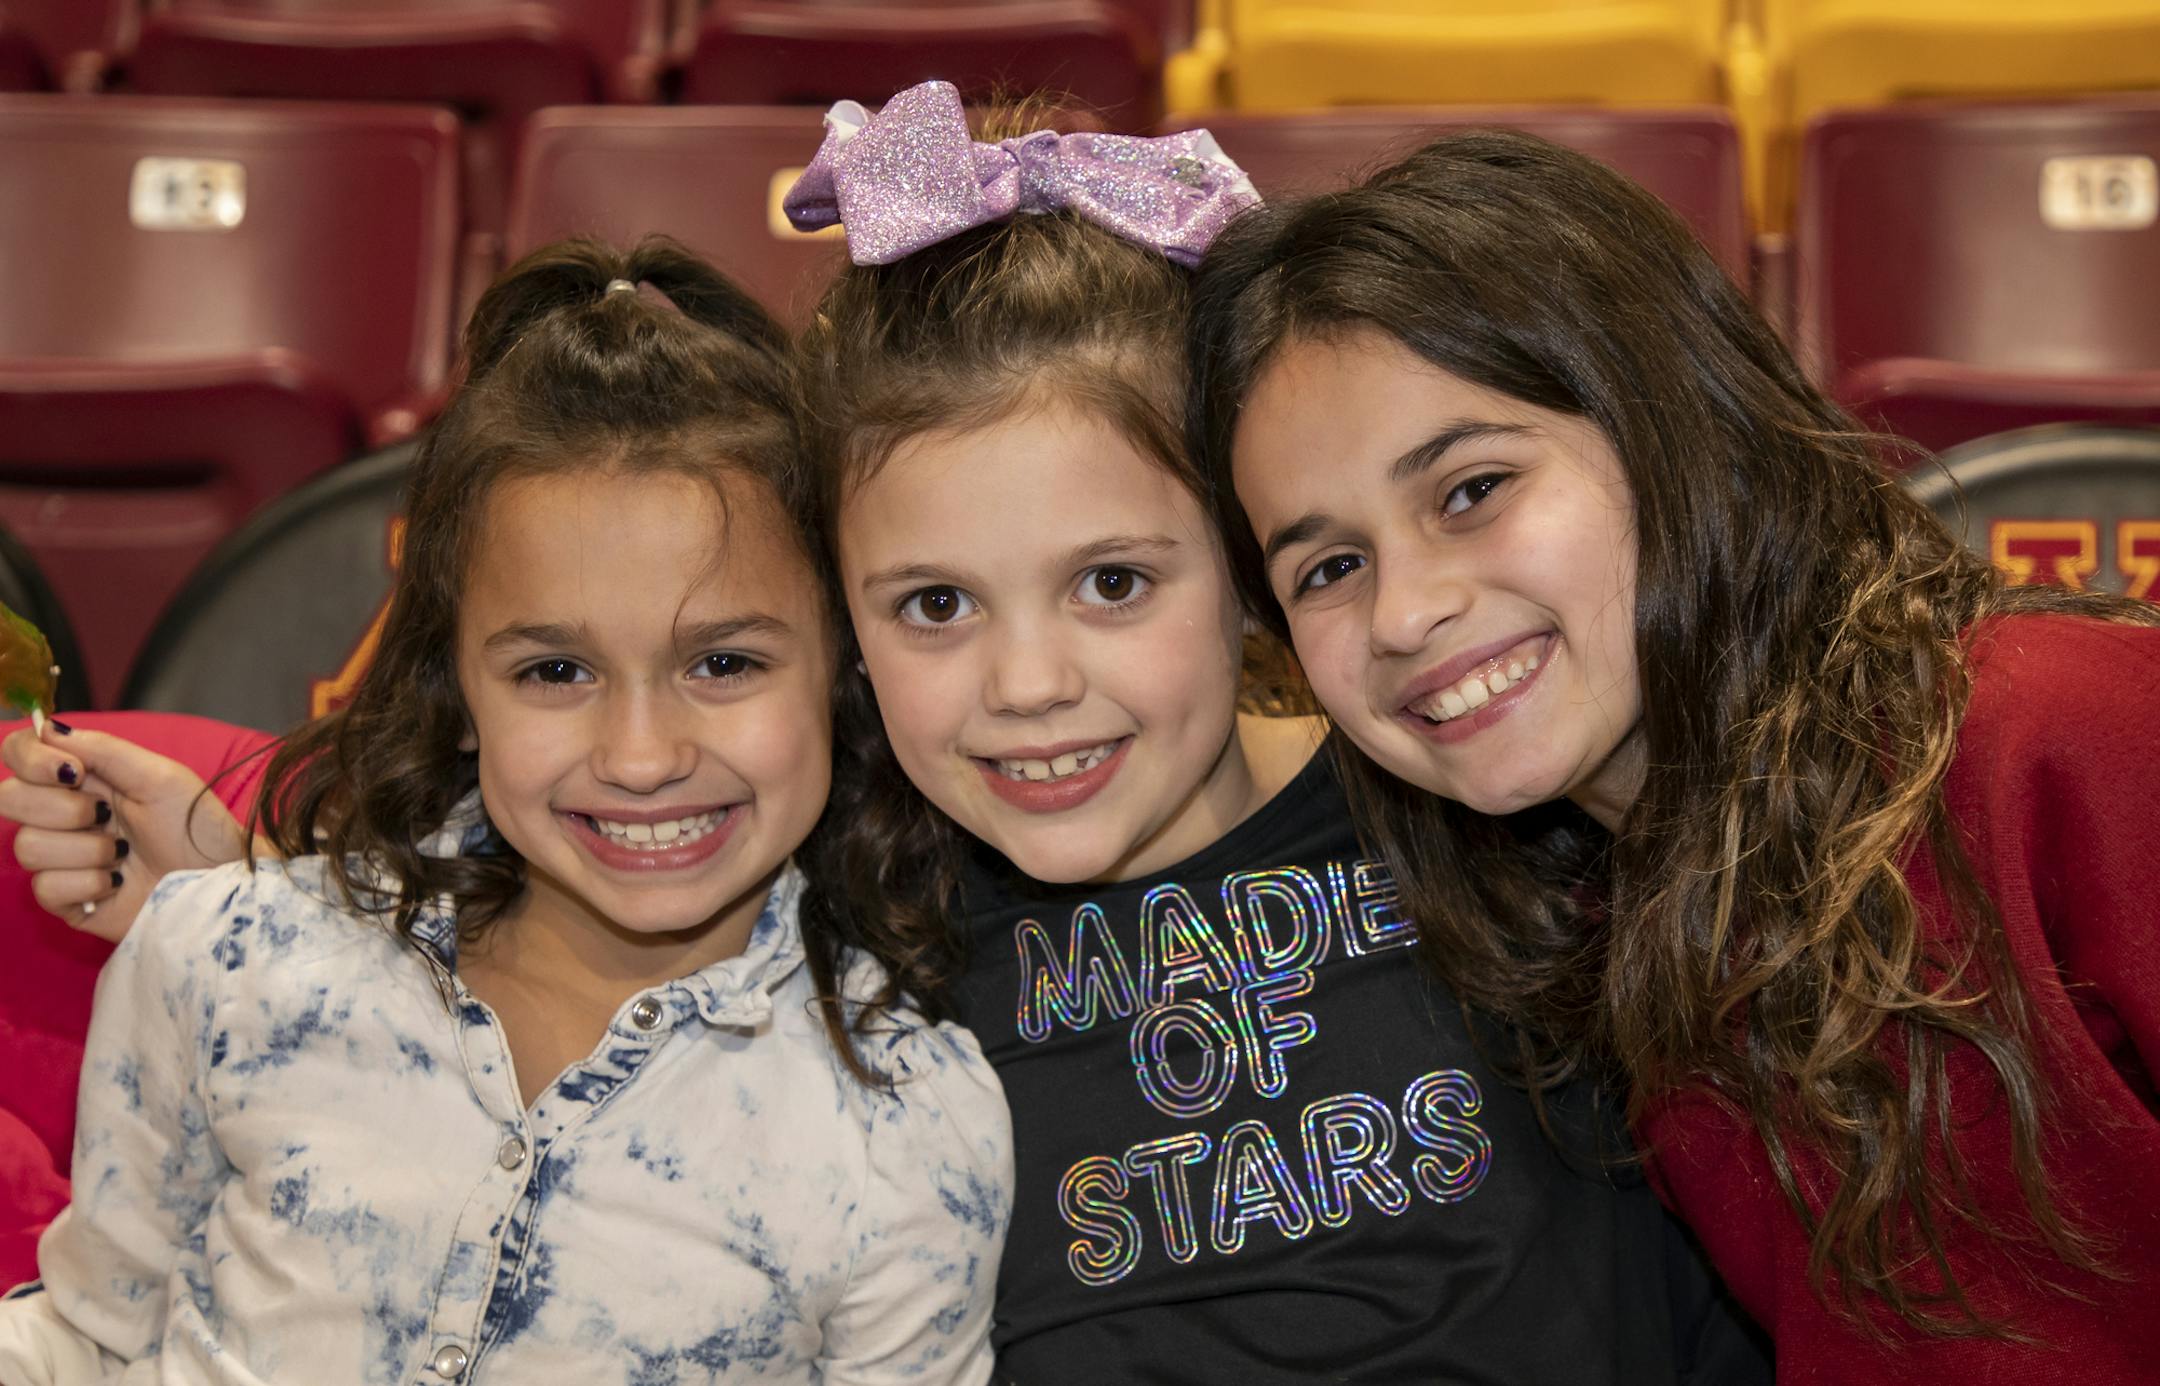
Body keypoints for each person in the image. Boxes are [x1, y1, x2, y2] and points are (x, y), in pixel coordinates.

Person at [787, 83, 1762, 1382]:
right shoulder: (853, 945)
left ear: (1250, 559)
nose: (1026, 682)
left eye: (1115, 582)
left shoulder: (1485, 795)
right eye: (936, 604)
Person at [1189, 128, 2160, 1380]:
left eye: (1472, 489)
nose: (1403, 611)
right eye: (1328, 567)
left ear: (1677, 426)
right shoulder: (1622, 949)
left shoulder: (2064, 728)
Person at [0, 237, 1010, 1385]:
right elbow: (87, 1339)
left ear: (839, 669)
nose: (641, 757)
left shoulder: (909, 1122)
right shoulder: (220, 955)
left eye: (723, 664)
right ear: (458, 687)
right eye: (554, 673)